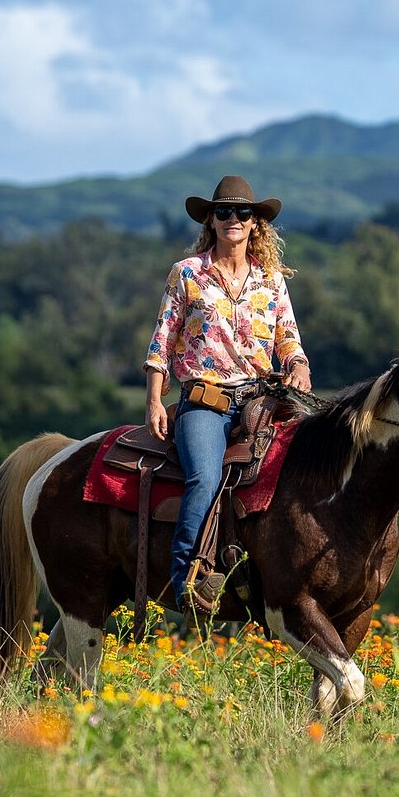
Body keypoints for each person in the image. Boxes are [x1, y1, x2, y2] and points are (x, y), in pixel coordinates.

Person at [144, 175, 311, 613]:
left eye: (242, 212)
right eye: (224, 212)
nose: (233, 219)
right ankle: (185, 579)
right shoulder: (187, 274)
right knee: (205, 476)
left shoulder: (271, 281)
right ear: (212, 221)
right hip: (205, 399)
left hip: (261, 398)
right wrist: (155, 400)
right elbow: (162, 340)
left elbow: (288, 338)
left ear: (256, 223)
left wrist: (298, 366)